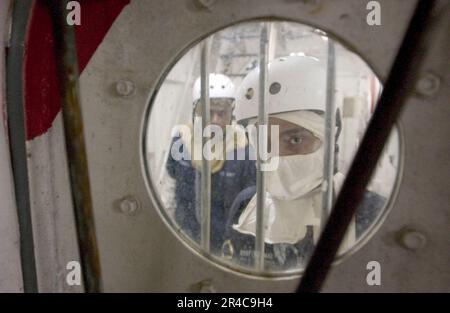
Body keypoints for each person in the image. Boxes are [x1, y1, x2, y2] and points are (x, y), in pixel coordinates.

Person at [221, 56, 386, 270]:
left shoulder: (370, 212)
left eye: (295, 140)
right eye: (265, 141)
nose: (276, 156)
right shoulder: (246, 207)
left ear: (330, 137)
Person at [166, 73, 256, 254]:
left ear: (231, 114)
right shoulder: (181, 141)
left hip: (227, 245)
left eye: (221, 113)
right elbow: (172, 175)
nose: (214, 120)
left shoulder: (245, 148)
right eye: (207, 113)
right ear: (195, 113)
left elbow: (249, 202)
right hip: (185, 237)